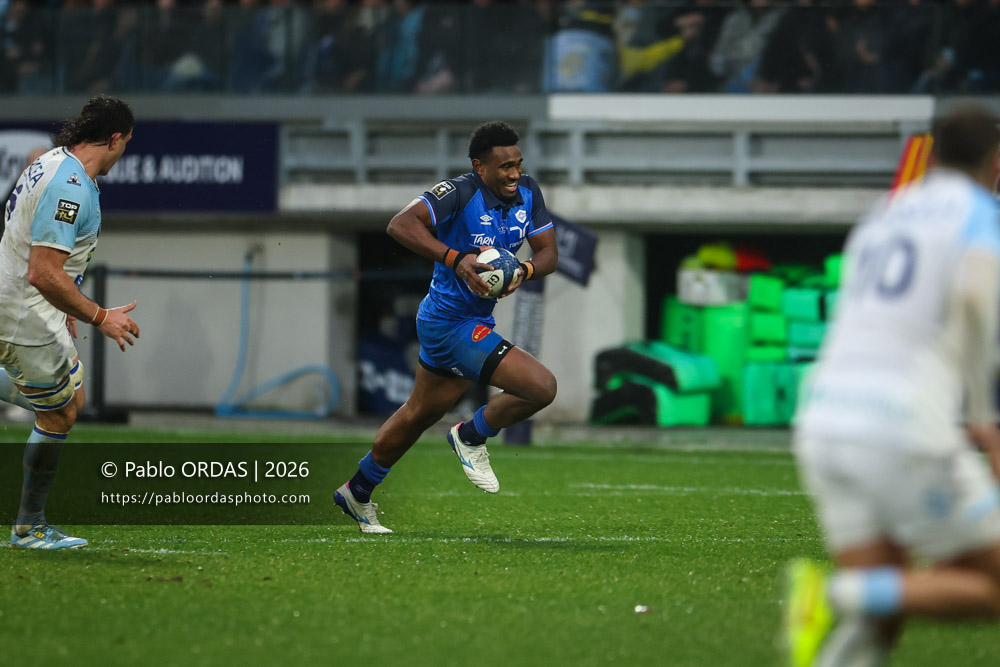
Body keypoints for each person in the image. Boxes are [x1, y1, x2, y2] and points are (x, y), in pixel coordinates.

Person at [784, 105, 1000, 666]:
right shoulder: (980, 217)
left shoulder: (888, 211)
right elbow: (981, 313)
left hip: (823, 420)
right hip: (900, 426)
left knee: (885, 606)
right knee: (985, 586)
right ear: (994, 162)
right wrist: (987, 424)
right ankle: (832, 594)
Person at [334, 120, 558, 534]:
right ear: (479, 166)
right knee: (541, 387)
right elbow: (400, 225)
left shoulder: (529, 191)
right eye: (505, 166)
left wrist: (523, 270)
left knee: (418, 414)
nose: (514, 174)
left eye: (518, 164)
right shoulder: (458, 192)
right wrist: (456, 258)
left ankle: (357, 490)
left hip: (471, 319)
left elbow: (549, 253)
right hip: (449, 323)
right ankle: (472, 434)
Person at [2, 95, 139, 550]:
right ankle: (29, 526)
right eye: (126, 144)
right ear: (114, 138)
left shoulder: (52, 161)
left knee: (73, 397)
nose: (123, 154)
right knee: (59, 412)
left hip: (28, 304)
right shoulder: (71, 186)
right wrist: (100, 316)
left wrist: (67, 305)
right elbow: (43, 270)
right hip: (24, 314)